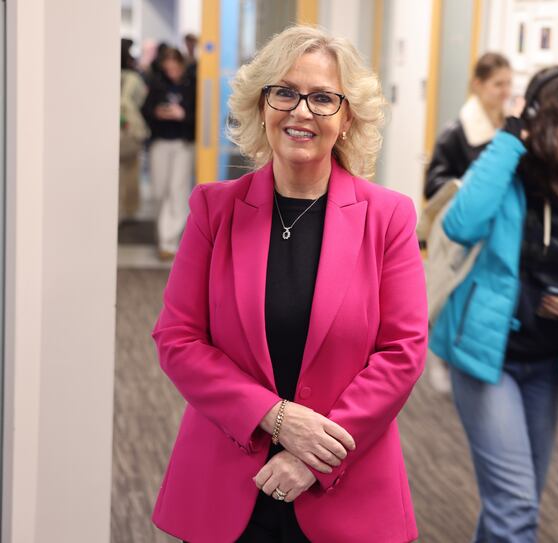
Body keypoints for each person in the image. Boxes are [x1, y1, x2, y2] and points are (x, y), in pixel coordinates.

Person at [151, 25, 428, 543]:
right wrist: (276, 419)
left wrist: (315, 458)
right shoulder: (215, 209)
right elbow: (178, 339)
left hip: (343, 487)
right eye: (285, 92)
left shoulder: (387, 217)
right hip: (227, 481)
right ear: (263, 105)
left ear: (347, 119)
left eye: (323, 98)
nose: (302, 111)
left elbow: (403, 352)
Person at [429, 65, 558, 543]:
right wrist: (510, 138)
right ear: (537, 117)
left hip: (547, 362)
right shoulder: (505, 170)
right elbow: (461, 225)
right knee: (516, 506)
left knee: (515, 502)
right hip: (485, 359)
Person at [424, 52, 512, 199]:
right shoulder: (455, 133)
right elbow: (432, 186)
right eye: (498, 84)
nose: (506, 92)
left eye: (509, 84)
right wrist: (471, 186)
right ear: (477, 84)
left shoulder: (511, 128)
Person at [142, 47, 196, 261]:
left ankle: (169, 241)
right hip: (160, 142)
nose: (172, 71)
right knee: (159, 190)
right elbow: (145, 110)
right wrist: (157, 112)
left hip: (183, 143)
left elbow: (200, 114)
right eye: (168, 67)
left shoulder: (192, 84)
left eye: (176, 67)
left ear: (182, 65)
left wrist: (182, 114)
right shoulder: (157, 84)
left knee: (177, 190)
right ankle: (163, 235)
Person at [119, 38, 149, 222]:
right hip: (129, 131)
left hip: (118, 130)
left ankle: (117, 212)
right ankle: (127, 210)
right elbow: (139, 101)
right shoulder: (133, 78)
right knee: (129, 171)